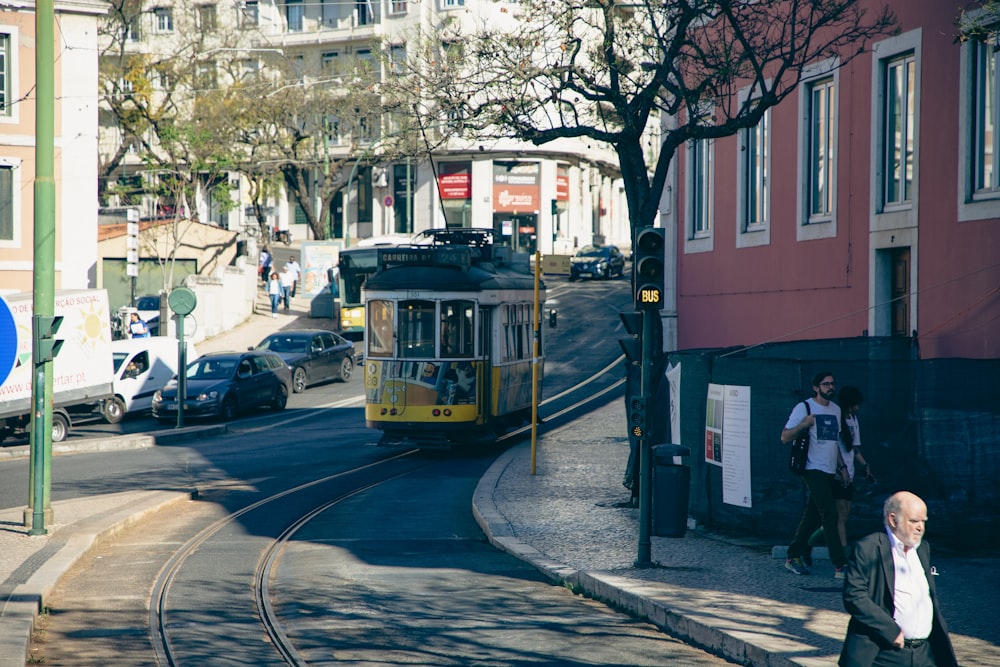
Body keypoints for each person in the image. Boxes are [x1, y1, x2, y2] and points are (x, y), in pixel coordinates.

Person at [839, 491, 958, 667]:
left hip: (924, 654)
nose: (920, 527)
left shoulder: (922, 549)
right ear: (893, 520)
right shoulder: (869, 548)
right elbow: (854, 596)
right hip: (884, 653)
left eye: (923, 521)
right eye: (914, 521)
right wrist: (891, 631)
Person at [781, 371, 847, 577]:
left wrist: (842, 468)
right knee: (830, 514)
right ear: (816, 388)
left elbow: (834, 442)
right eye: (826, 384)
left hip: (829, 469)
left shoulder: (836, 410)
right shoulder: (805, 407)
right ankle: (839, 564)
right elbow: (784, 437)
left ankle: (793, 555)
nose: (830, 387)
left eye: (832, 383)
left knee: (813, 515)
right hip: (812, 469)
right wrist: (804, 424)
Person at [833, 385, 875, 548]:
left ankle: (835, 543)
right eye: (855, 404)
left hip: (848, 474)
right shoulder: (836, 417)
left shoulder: (853, 420)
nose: (857, 408)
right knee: (841, 514)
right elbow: (832, 446)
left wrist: (865, 465)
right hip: (837, 473)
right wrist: (840, 468)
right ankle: (842, 553)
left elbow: (854, 447)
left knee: (846, 513)